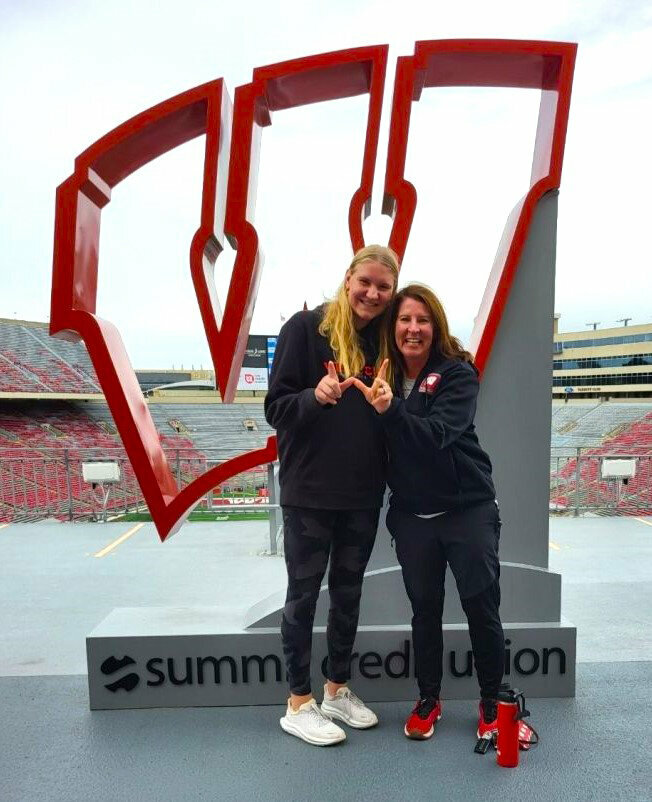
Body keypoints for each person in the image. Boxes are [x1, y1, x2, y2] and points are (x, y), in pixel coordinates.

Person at [353, 282, 505, 742]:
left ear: (434, 326)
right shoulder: (379, 373)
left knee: (482, 608)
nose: (413, 329)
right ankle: (428, 698)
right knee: (425, 612)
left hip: (467, 512)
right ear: (393, 328)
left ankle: (493, 702)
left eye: (422, 320)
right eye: (404, 320)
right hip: (414, 519)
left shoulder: (458, 374)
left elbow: (438, 433)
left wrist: (391, 411)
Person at [264, 244, 399, 746]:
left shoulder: (381, 340)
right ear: (348, 279)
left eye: (383, 286)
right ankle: (298, 701)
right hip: (309, 492)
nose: (372, 292)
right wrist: (312, 397)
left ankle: (336, 688)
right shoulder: (305, 328)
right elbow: (274, 408)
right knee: (302, 597)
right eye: (365, 281)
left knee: (348, 596)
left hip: (363, 494)